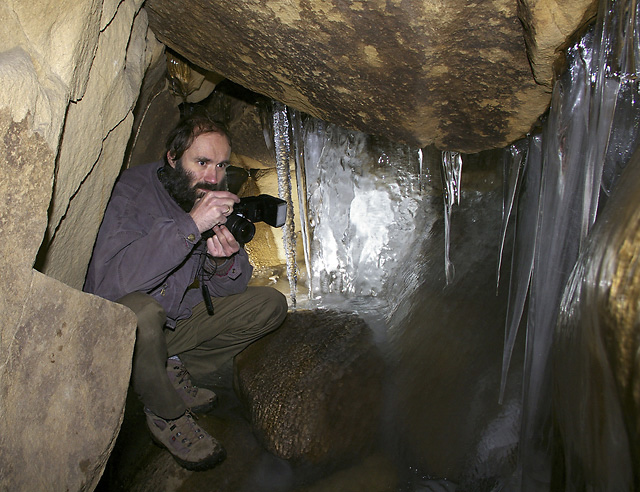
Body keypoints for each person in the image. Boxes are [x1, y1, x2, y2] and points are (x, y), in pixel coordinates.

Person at [84, 112, 288, 471]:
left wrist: (221, 262)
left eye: (221, 165)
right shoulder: (134, 191)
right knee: (143, 313)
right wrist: (192, 225)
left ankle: (168, 367)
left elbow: (230, 288)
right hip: (127, 327)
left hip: (175, 322)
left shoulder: (207, 195)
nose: (213, 177)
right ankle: (166, 414)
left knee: (270, 305)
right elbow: (110, 288)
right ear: (173, 158)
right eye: (203, 162)